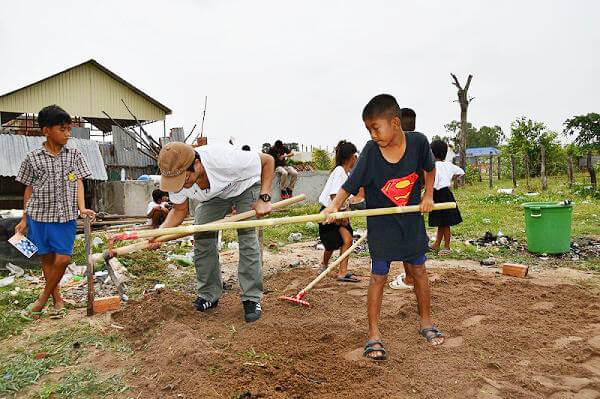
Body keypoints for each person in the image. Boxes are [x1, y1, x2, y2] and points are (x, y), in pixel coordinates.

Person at [322, 94, 444, 361]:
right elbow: (350, 185)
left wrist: (428, 196)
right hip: (382, 227)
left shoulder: (418, 142)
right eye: (369, 129)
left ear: (396, 123)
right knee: (379, 276)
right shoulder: (370, 151)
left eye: (376, 128)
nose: (373, 134)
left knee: (419, 271)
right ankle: (374, 334)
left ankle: (426, 322)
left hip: (410, 223)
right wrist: (334, 208)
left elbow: (429, 168)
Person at [155, 142, 274, 322]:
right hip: (213, 197)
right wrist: (159, 234)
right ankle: (209, 294)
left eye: (185, 179)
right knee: (202, 236)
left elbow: (268, 161)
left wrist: (264, 198)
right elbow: (179, 211)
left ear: (197, 164)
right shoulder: (176, 176)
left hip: (244, 187)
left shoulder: (226, 160)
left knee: (246, 236)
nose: (182, 186)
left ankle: (251, 297)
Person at [15, 105, 96, 319]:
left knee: (63, 260)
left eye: (69, 129)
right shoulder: (33, 158)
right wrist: (25, 218)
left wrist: (81, 207)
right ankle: (57, 299)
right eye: (63, 129)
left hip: (65, 217)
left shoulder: (74, 155)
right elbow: (28, 188)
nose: (67, 134)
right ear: (46, 130)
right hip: (39, 217)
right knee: (47, 260)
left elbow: (78, 181)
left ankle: (41, 300)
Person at [317, 140, 360, 282]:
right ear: (352, 157)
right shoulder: (340, 172)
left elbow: (348, 197)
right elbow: (334, 196)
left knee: (347, 239)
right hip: (330, 212)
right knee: (331, 243)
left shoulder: (345, 174)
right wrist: (340, 215)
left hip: (338, 212)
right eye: (356, 155)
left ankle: (342, 271)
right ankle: (324, 264)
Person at [428, 140, 464, 254]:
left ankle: (447, 247)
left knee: (444, 222)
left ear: (432, 153)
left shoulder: (431, 166)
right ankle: (437, 244)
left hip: (435, 194)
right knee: (443, 222)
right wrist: (450, 178)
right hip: (446, 194)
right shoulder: (449, 165)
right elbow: (460, 172)